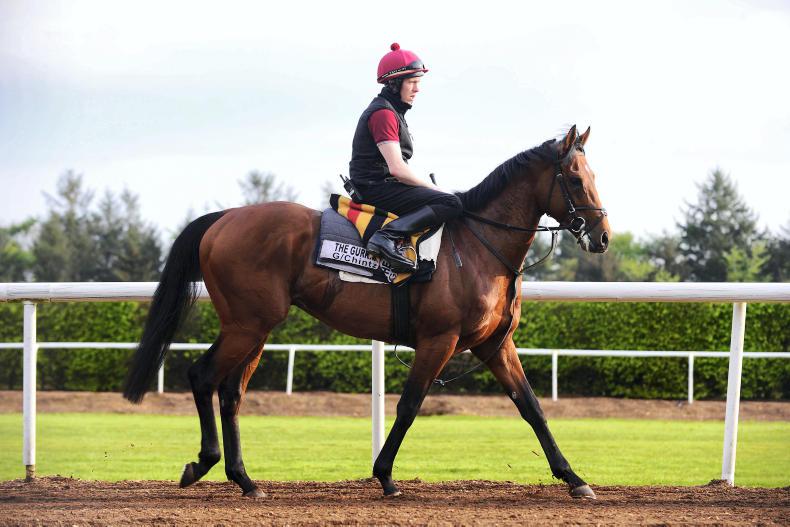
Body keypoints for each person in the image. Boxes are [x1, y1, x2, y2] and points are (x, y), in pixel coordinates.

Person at [349, 43, 463, 273]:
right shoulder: (383, 114)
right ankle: (386, 236)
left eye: (418, 82)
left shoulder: (391, 111)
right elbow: (398, 169)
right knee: (450, 202)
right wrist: (437, 191)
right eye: (412, 82)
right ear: (394, 84)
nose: (417, 89)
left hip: (380, 185)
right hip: (375, 188)